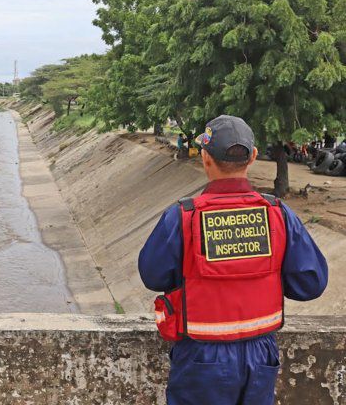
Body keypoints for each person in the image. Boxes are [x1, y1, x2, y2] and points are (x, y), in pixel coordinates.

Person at [139, 115, 328, 405]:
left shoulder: (182, 216)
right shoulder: (278, 213)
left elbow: (153, 276)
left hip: (200, 356)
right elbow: (310, 283)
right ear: (253, 157)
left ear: (205, 157)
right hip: (260, 354)